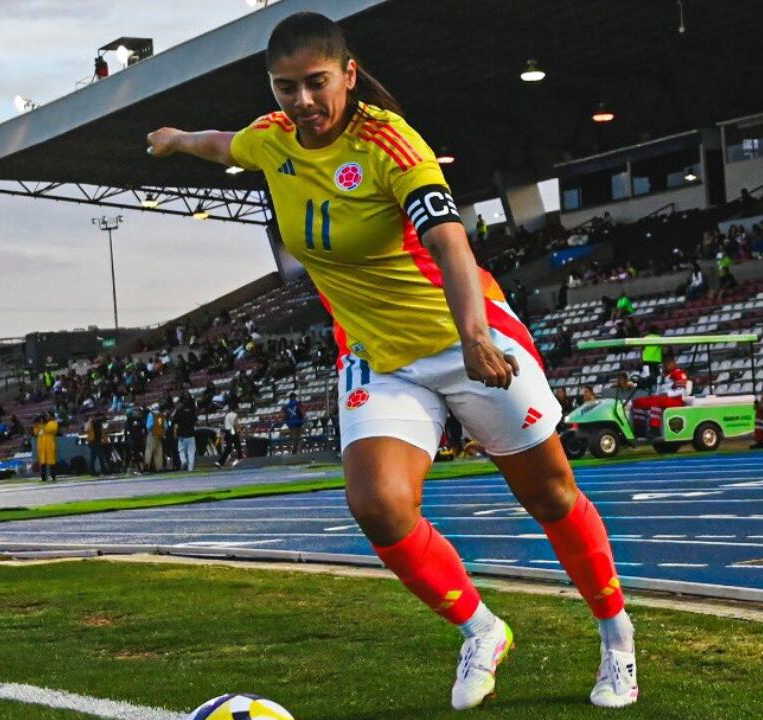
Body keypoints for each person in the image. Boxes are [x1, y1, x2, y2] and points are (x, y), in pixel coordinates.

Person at [146, 12, 636, 709]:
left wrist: (472, 336)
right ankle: (481, 628)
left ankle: (617, 639)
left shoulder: (392, 146)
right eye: (286, 88)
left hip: (462, 337)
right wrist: (173, 139)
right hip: (376, 355)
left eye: (316, 83)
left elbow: (451, 247)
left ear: (347, 74)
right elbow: (221, 141)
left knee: (550, 495)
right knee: (377, 505)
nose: (303, 102)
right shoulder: (272, 138)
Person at [628, 353, 690, 437]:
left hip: (675, 400)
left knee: (656, 401)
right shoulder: (661, 375)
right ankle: (640, 429)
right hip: (661, 399)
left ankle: (655, 428)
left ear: (674, 362)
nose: (666, 364)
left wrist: (667, 394)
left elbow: (681, 390)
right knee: (638, 402)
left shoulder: (678, 373)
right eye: (665, 362)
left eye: (668, 362)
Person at [174, 395, 198, 472]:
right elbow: (196, 422)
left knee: (181, 451)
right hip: (191, 435)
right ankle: (190, 468)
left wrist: (175, 433)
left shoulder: (178, 412)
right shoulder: (192, 412)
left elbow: (175, 424)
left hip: (182, 435)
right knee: (191, 452)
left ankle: (184, 461)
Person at [36, 411, 59, 481]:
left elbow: (49, 429)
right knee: (43, 463)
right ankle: (43, 477)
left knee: (51, 462)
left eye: (47, 415)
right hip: (43, 446)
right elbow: (36, 432)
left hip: (50, 446)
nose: (46, 417)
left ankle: (53, 476)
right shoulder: (42, 425)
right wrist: (38, 423)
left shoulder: (53, 423)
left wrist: (44, 424)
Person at [144, 403, 166, 473]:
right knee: (158, 452)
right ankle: (159, 468)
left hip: (152, 435)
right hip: (159, 435)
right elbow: (166, 426)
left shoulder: (151, 414)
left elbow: (148, 426)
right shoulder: (161, 415)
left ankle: (147, 467)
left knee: (149, 451)